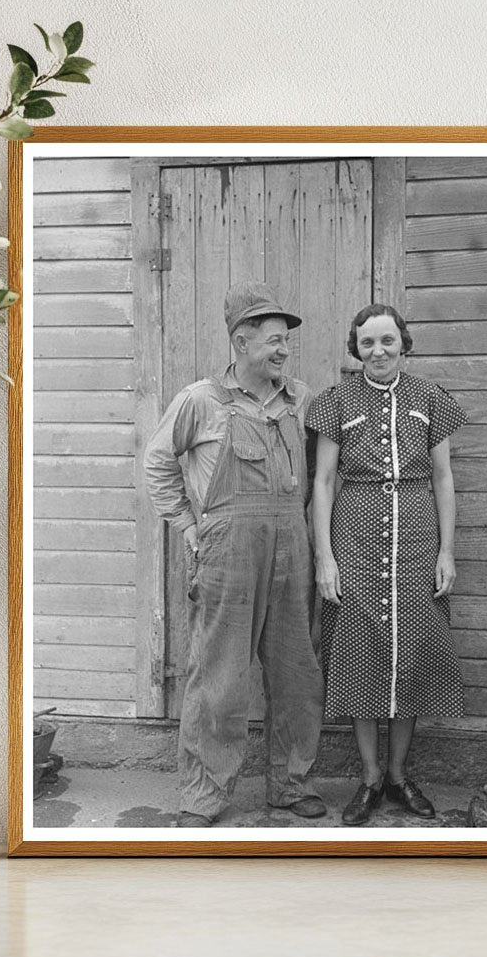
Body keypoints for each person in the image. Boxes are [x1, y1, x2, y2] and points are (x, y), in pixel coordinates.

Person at [144, 280, 326, 828]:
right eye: (272, 340)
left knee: (297, 671)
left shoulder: (301, 399)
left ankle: (290, 783)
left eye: (285, 342)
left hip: (292, 546)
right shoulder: (200, 400)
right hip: (227, 551)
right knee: (219, 675)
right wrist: (191, 529)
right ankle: (204, 796)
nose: (283, 350)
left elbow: (318, 476)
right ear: (240, 342)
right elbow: (158, 465)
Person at [306, 304, 468, 826]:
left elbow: (442, 477)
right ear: (356, 348)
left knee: (414, 652)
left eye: (388, 342)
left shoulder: (430, 400)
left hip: (418, 540)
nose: (379, 352)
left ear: (404, 344)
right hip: (353, 539)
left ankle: (400, 774)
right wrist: (324, 559)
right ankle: (370, 777)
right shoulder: (335, 402)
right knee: (361, 653)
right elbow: (323, 482)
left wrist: (447, 550)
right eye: (368, 343)